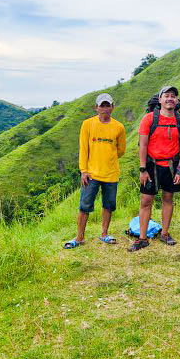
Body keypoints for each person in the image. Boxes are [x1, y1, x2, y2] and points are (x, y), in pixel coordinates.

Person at [130, 86, 180, 252]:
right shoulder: (149, 119)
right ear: (160, 99)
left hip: (171, 165)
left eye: (173, 96)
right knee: (146, 200)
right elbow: (142, 144)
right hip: (151, 164)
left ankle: (164, 233)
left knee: (168, 198)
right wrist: (143, 169)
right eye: (166, 96)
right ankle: (142, 238)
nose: (170, 98)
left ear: (177, 100)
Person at [64, 93, 126, 248]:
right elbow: (83, 148)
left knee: (108, 205)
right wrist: (83, 170)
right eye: (102, 105)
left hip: (111, 173)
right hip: (91, 174)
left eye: (107, 105)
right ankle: (79, 237)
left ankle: (104, 234)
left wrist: (109, 158)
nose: (105, 108)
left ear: (113, 107)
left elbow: (121, 150)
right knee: (84, 205)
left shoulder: (119, 127)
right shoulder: (87, 124)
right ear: (96, 107)